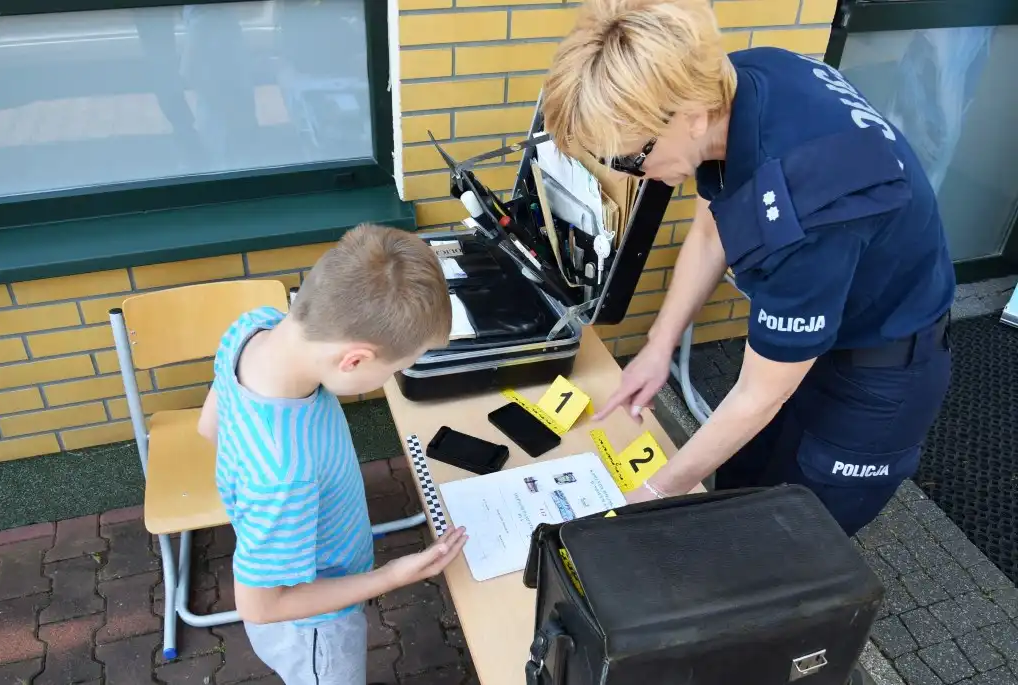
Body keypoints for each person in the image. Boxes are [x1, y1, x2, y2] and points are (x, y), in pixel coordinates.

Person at [541, 0, 954, 537]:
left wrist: (653, 494)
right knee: (737, 487)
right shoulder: (739, 82)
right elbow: (712, 227)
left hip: (878, 368)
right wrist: (658, 346)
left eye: (630, 158)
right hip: (815, 330)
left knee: (793, 536)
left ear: (690, 116)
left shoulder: (809, 211)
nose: (633, 176)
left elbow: (761, 394)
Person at [197, 224, 468, 684]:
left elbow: (210, 428)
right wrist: (392, 576)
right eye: (396, 369)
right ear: (354, 359)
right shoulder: (284, 475)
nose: (391, 380)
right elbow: (261, 605)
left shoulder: (255, 327)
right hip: (316, 631)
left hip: (305, 573)